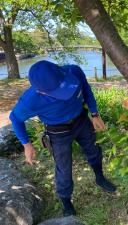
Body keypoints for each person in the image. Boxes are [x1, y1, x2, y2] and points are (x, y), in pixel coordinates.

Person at [9, 60, 116, 216]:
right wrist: (27, 145)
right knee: (63, 168)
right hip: (57, 132)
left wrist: (94, 114)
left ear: (61, 71)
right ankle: (66, 201)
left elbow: (86, 89)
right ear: (40, 91)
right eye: (56, 91)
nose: (64, 95)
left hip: (81, 120)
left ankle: (100, 178)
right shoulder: (30, 101)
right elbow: (16, 119)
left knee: (94, 150)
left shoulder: (74, 71)